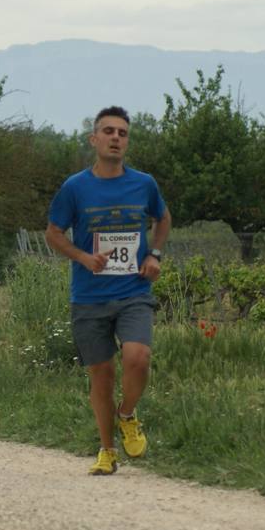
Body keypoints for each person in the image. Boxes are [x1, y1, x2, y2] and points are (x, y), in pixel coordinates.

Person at [45, 106, 172, 475]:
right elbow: (53, 233)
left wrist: (155, 254)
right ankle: (106, 450)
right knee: (101, 376)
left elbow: (162, 218)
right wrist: (84, 257)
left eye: (123, 133)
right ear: (94, 139)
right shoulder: (75, 187)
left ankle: (128, 414)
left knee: (138, 358)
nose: (116, 138)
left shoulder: (144, 183)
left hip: (133, 290)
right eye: (109, 131)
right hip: (88, 296)